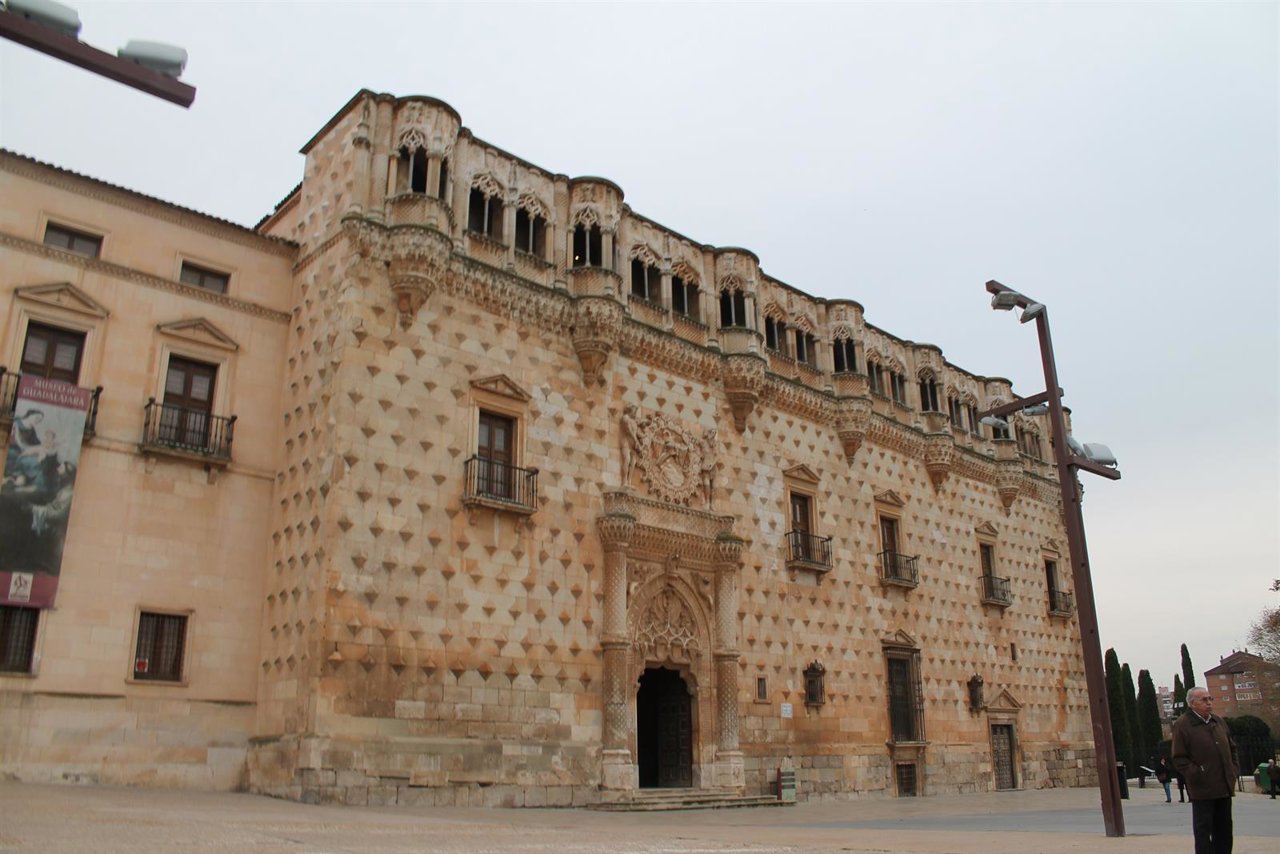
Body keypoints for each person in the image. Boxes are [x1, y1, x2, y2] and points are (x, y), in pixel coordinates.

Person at [1171, 687, 1238, 854]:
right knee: (1203, 832)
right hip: (1202, 789)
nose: (1209, 703)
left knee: (1224, 831)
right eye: (1204, 700)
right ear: (1192, 703)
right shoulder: (1183, 724)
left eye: (1210, 699)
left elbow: (1232, 748)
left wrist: (1233, 770)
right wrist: (1197, 773)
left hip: (1223, 786)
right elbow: (1179, 758)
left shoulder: (1218, 721)